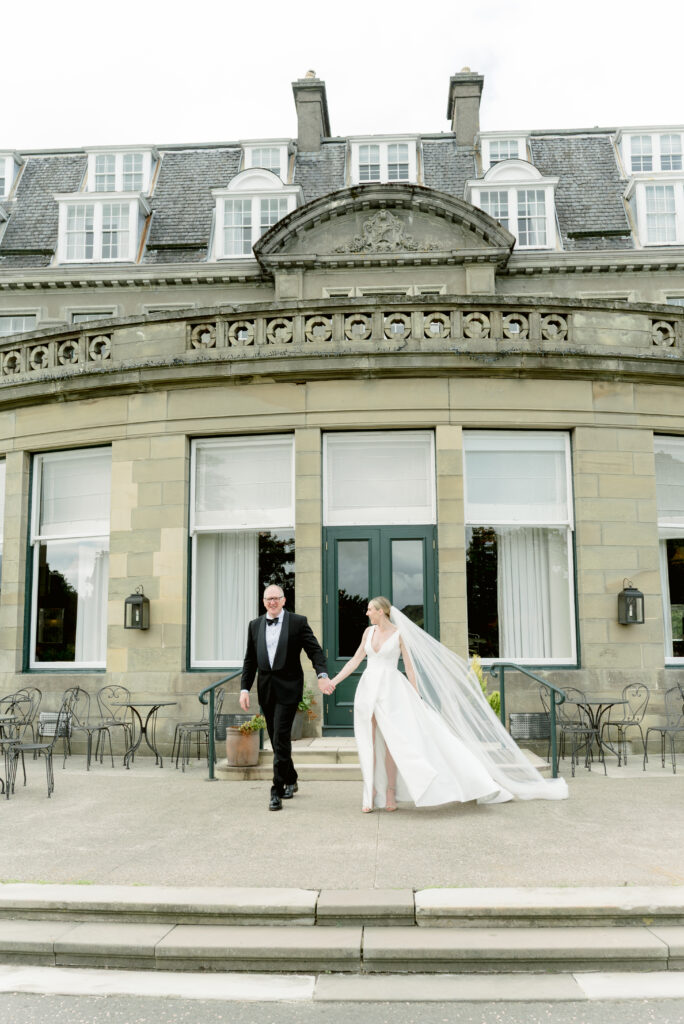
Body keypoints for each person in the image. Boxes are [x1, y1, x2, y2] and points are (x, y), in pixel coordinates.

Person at [322, 596, 568, 811]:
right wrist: (333, 681)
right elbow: (355, 661)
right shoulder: (368, 633)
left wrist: (416, 695)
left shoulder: (399, 634)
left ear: (381, 611)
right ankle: (370, 793)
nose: (366, 613)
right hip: (368, 689)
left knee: (393, 743)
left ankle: (390, 793)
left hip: (392, 691)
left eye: (369, 609)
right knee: (369, 741)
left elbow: (409, 667)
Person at [240, 584, 329, 811]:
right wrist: (244, 689)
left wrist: (322, 674)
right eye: (268, 598)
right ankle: (291, 777)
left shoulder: (298, 622)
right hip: (266, 690)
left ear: (284, 600)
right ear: (263, 602)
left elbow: (314, 650)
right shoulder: (255, 625)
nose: (272, 602)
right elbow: (250, 661)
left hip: (289, 689)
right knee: (277, 740)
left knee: (280, 737)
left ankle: (276, 790)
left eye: (276, 598)